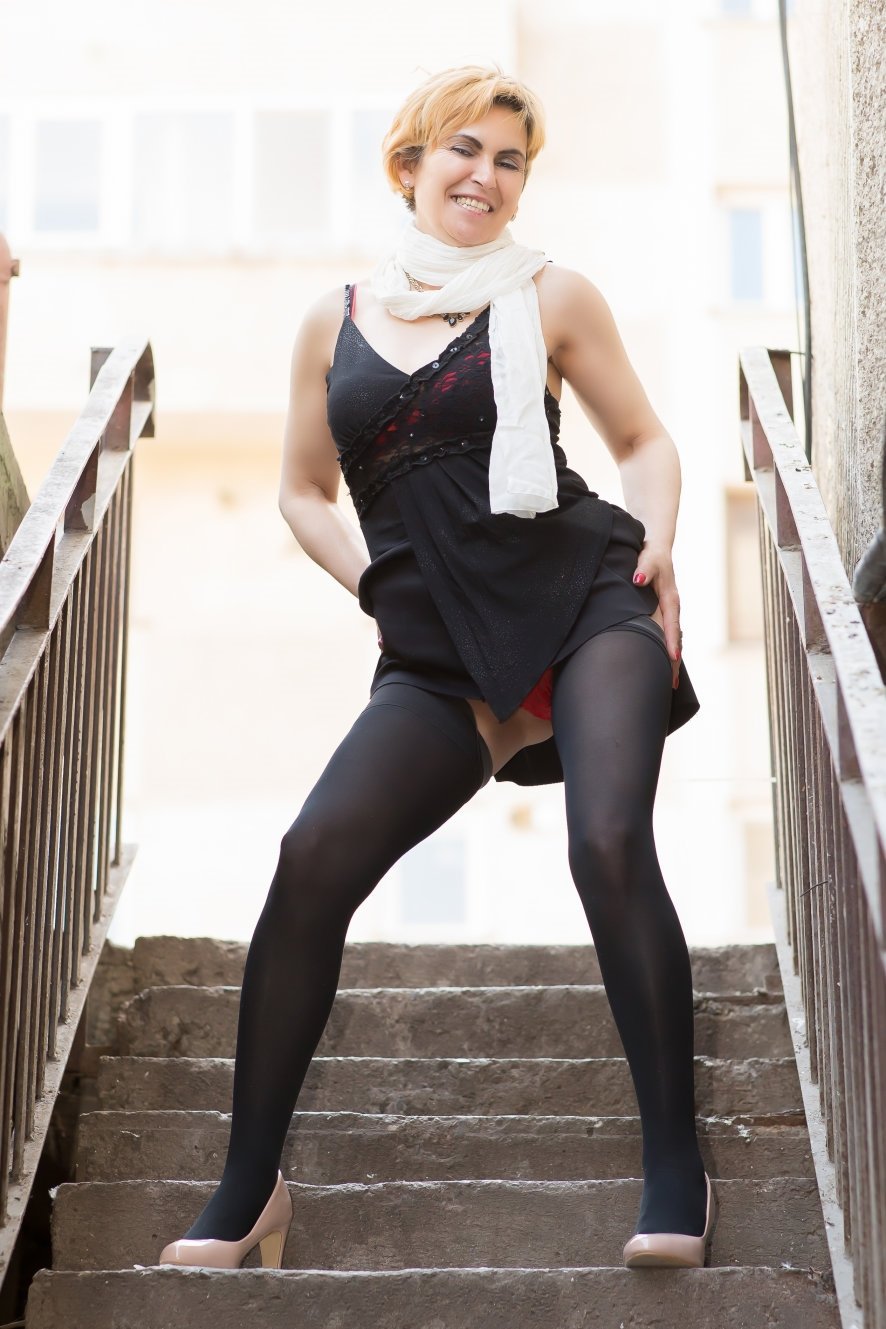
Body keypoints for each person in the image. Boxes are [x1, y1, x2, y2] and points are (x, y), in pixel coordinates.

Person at [158, 64, 716, 1274]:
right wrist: (374, 587)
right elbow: (301, 490)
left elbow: (642, 439)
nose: (486, 176)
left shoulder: (551, 293)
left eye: (510, 160)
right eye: (464, 149)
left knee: (606, 841)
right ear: (407, 164)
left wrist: (661, 542)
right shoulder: (335, 319)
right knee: (312, 857)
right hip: (432, 647)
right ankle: (249, 1188)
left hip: (582, 602)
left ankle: (676, 1166)